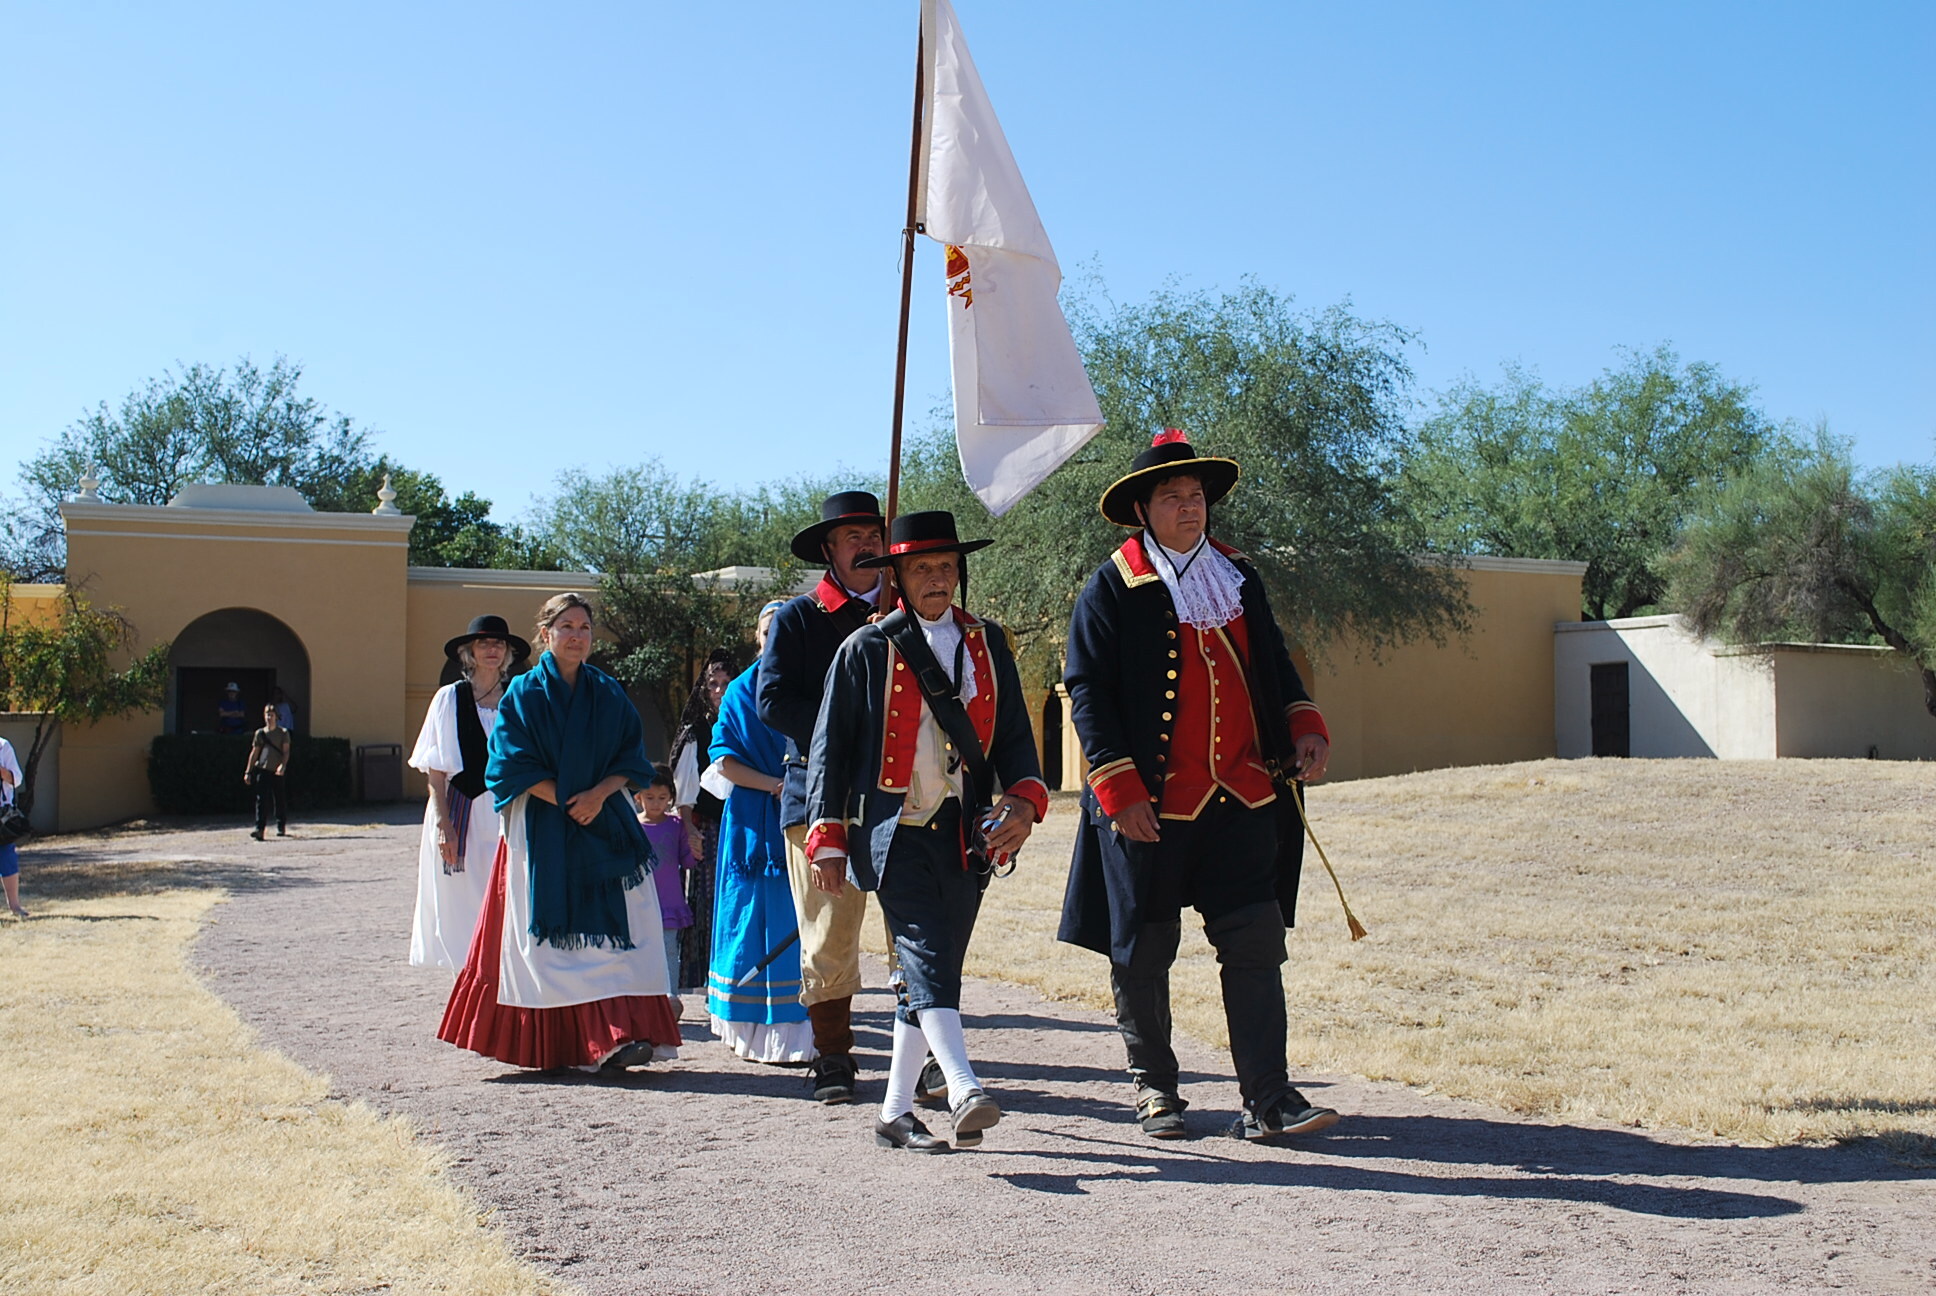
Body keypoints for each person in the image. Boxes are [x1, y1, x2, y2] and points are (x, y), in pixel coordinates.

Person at [1059, 429, 1340, 1142]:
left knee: (1255, 943)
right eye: (1172, 497)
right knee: (1143, 951)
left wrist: (1303, 721)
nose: (1190, 507)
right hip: (1151, 803)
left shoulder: (1238, 574)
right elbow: (1086, 690)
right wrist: (1118, 786)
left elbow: (1273, 659)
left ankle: (1268, 1099)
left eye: (1196, 496)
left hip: (1242, 794)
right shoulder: (1111, 587)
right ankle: (1155, 1089)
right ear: (1142, 511)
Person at [806, 511, 1049, 1151]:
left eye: (946, 566)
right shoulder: (865, 648)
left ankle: (893, 1113)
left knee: (933, 969)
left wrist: (1024, 801)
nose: (936, 578)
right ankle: (963, 1086)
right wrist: (827, 836)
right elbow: (830, 749)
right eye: (922, 568)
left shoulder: (988, 642)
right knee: (925, 952)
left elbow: (1015, 738)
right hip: (894, 829)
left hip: (966, 832)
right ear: (900, 577)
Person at [438, 593, 681, 1073]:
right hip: (542, 824)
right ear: (545, 634)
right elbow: (508, 763)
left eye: (584, 628)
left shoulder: (608, 691)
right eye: (566, 626)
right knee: (550, 945)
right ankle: (564, 1045)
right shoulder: (524, 693)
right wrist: (571, 800)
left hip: (605, 822)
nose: (576, 636)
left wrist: (598, 796)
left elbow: (631, 756)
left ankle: (617, 1036)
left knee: (626, 931)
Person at [757, 489, 889, 1103]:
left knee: (915, 933)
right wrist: (848, 730)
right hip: (819, 794)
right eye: (852, 537)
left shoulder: (908, 610)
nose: (866, 545)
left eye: (874, 535)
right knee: (828, 934)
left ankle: (926, 1052)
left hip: (903, 797)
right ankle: (834, 1055)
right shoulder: (798, 618)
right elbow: (773, 700)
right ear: (830, 550)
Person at [707, 600, 815, 1062]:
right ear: (757, 637)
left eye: (785, 630)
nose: (776, 639)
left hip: (805, 816)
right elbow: (724, 761)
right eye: (769, 631)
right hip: (753, 823)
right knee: (748, 920)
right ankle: (746, 1028)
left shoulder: (812, 682)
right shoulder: (739, 690)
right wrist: (775, 784)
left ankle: (800, 1033)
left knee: (801, 922)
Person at [407, 614, 529, 970]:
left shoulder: (517, 699)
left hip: (509, 812)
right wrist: (444, 824)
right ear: (470, 652)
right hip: (464, 810)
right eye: (484, 643)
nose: (492, 650)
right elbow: (436, 770)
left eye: (499, 644)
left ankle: (504, 974)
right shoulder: (449, 698)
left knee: (509, 891)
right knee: (462, 898)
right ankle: (470, 974)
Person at [669, 649, 733, 991]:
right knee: (708, 905)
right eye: (713, 684)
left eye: (726, 683)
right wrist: (689, 828)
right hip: (707, 828)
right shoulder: (696, 731)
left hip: (741, 825)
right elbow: (684, 789)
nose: (719, 691)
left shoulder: (743, 723)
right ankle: (709, 978)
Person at [633, 769, 696, 1017]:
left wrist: (695, 846)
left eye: (662, 797)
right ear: (638, 797)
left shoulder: (677, 825)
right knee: (640, 950)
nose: (656, 803)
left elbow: (688, 861)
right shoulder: (632, 825)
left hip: (670, 903)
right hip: (639, 905)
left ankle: (671, 998)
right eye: (650, 797)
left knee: (670, 951)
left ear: (670, 797)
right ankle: (642, 998)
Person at [243, 704, 291, 840]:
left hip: (277, 771)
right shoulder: (260, 734)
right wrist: (248, 771)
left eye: (272, 715)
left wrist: (282, 766)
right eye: (267, 714)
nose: (269, 717)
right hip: (263, 769)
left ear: (276, 717)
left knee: (279, 798)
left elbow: (286, 751)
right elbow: (255, 753)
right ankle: (259, 829)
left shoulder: (283, 733)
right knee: (261, 800)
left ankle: (281, 824)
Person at [0, 734, 27, 919]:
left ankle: (15, 906)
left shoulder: (3, 746)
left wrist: (3, 772)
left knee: (7, 857)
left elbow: (17, 779)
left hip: (2, 815)